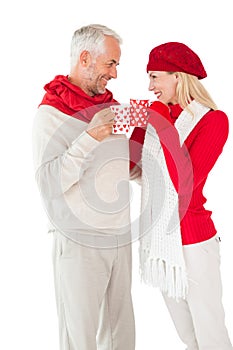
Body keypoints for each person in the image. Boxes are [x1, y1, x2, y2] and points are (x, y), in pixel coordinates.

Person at [32, 24, 135, 350]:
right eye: (111, 64)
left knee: (121, 337)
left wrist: (148, 154)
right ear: (86, 58)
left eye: (117, 64)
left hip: (120, 237)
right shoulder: (50, 113)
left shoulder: (110, 109)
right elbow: (48, 182)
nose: (115, 74)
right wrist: (90, 137)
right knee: (80, 339)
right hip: (79, 240)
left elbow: (120, 169)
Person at [129, 42, 232, 349]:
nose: (150, 87)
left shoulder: (214, 120)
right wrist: (130, 127)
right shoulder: (154, 114)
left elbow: (184, 183)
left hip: (194, 243)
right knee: (188, 336)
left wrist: (159, 120)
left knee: (209, 333)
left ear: (178, 76)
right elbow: (130, 167)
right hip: (160, 241)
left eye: (155, 77)